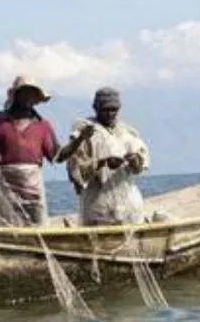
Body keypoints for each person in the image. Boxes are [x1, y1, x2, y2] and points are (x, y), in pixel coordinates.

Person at [0, 75, 60, 227]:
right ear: (15, 95)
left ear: (36, 99)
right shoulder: (0, 120)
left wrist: (78, 141)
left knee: (36, 223)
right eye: (24, 92)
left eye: (32, 94)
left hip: (32, 184)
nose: (28, 97)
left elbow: (56, 155)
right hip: (6, 184)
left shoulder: (42, 125)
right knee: (5, 223)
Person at [58, 87, 150, 226]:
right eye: (105, 109)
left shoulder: (128, 133)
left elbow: (140, 167)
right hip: (98, 207)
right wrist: (103, 163)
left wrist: (134, 161)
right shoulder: (85, 131)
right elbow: (76, 174)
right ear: (96, 108)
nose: (110, 114)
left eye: (113, 109)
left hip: (128, 205)